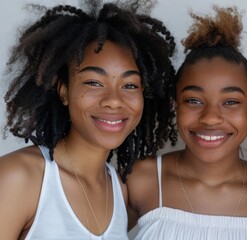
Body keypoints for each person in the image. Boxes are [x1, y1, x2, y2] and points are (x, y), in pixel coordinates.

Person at [0, 0, 177, 239]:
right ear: (64, 91)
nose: (114, 100)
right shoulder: (19, 177)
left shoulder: (119, 190)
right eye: (94, 82)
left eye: (129, 85)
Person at [126, 6, 247, 240]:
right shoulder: (140, 179)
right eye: (194, 100)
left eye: (230, 102)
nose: (210, 117)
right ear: (175, 105)